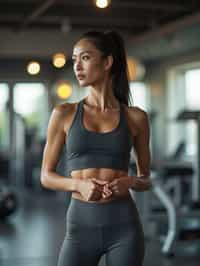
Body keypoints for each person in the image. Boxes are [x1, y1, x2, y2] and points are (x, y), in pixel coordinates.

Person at [40, 30, 152, 266]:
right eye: (74, 60)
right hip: (80, 230)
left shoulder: (136, 117)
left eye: (86, 58)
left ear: (107, 62)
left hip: (125, 228)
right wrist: (78, 185)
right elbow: (46, 176)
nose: (77, 66)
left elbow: (146, 179)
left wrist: (130, 182)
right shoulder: (64, 113)